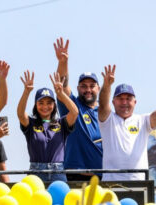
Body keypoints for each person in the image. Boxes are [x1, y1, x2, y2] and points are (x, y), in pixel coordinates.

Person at [98, 64, 156, 181]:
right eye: (120, 98)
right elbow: (103, 105)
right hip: (111, 184)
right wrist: (107, 85)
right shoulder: (108, 120)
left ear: (135, 102)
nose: (124, 102)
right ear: (113, 102)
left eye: (128, 98)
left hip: (138, 183)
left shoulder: (143, 121)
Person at [54, 37, 103, 180]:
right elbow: (62, 85)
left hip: (101, 178)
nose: (88, 90)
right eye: (83, 86)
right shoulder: (72, 106)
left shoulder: (105, 114)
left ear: (98, 89)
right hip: (74, 178)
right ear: (77, 89)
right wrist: (63, 62)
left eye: (92, 86)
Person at [17, 70, 78, 181]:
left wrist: (61, 94)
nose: (45, 106)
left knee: (60, 199)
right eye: (41, 103)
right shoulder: (31, 123)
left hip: (58, 171)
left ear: (54, 105)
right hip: (36, 172)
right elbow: (21, 114)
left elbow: (74, 112)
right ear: (36, 105)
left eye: (49, 103)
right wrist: (26, 92)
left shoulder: (62, 123)